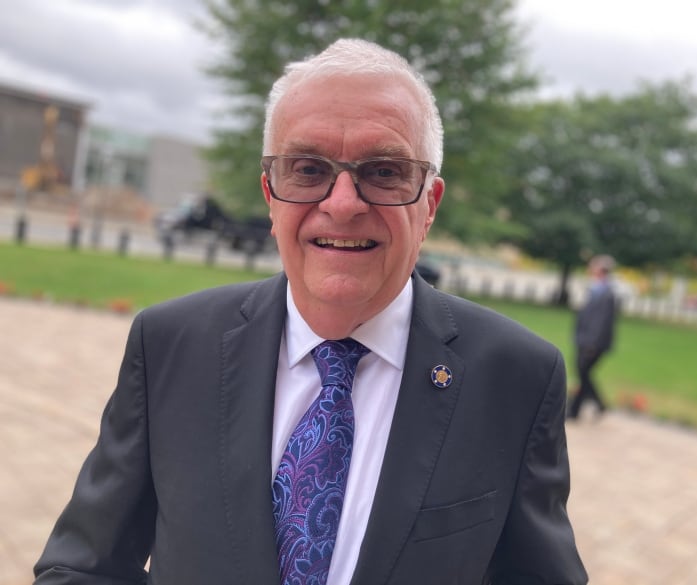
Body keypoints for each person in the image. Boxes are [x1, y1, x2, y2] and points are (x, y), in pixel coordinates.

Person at [34, 39, 588, 585]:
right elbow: (82, 566)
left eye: (384, 171)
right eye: (307, 168)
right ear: (270, 195)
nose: (343, 203)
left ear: (430, 205)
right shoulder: (170, 345)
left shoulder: (515, 377)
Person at [567, 254, 618, 420]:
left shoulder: (606, 293)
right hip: (585, 340)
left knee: (583, 373)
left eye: (593, 267)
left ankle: (582, 408)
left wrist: (592, 344)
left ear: (600, 270)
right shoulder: (595, 289)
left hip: (592, 343)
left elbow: (600, 322)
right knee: (583, 374)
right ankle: (586, 407)